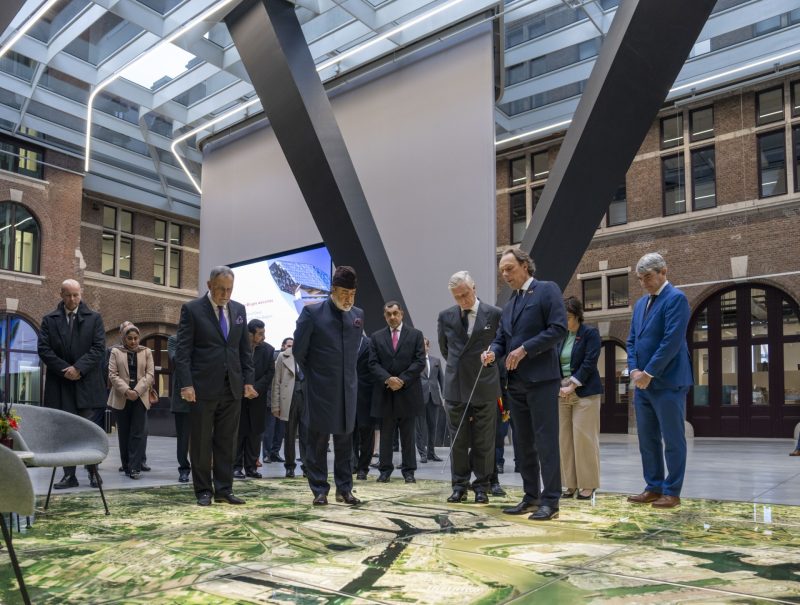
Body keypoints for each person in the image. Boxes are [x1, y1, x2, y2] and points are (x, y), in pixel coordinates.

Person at [483, 248, 566, 521]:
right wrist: (493, 351)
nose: (505, 275)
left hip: (542, 379)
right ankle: (531, 497)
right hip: (515, 384)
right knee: (523, 443)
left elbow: (557, 329)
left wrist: (525, 350)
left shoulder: (546, 290)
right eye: (502, 272)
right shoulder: (509, 305)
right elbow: (501, 339)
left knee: (546, 442)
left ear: (525, 265)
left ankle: (551, 501)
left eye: (509, 268)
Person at [175, 266, 256, 507]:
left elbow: (243, 350)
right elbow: (183, 352)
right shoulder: (192, 310)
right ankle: (203, 490)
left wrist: (248, 381)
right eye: (220, 288)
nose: (225, 293)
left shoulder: (239, 310)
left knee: (227, 441)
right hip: (202, 388)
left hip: (232, 387)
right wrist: (186, 384)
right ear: (209, 285)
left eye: (229, 289)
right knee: (201, 442)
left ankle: (224, 489)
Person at [626, 252, 693, 509]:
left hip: (667, 382)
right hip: (642, 383)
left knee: (673, 439)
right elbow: (632, 340)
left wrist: (648, 373)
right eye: (640, 279)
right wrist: (633, 371)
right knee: (647, 439)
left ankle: (672, 491)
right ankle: (653, 486)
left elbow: (671, 341)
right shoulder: (641, 304)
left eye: (648, 277)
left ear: (663, 272)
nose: (644, 283)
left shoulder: (676, 299)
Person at [292, 266, 363, 506]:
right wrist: (315, 376)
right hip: (319, 389)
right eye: (344, 292)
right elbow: (299, 351)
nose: (348, 298)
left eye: (352, 293)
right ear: (333, 289)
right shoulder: (313, 313)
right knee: (318, 441)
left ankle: (345, 489)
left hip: (348, 390)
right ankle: (319, 489)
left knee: (345, 441)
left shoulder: (357, 316)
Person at [437, 271, 502, 504]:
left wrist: (491, 359)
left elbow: (501, 346)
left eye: (465, 294)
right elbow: (446, 351)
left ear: (474, 288)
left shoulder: (494, 314)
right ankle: (459, 486)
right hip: (455, 386)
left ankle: (482, 487)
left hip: (484, 383)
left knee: (484, 440)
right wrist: (458, 367)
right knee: (458, 440)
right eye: (457, 297)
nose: (463, 300)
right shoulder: (445, 317)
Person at [38, 279, 107, 489]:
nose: (72, 299)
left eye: (76, 295)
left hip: (86, 383)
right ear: (61, 294)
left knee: (89, 430)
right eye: (68, 295)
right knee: (66, 431)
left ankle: (93, 472)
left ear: (81, 293)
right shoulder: (49, 319)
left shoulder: (94, 318)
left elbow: (98, 348)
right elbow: (44, 349)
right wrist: (64, 370)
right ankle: (69, 476)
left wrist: (78, 368)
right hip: (61, 385)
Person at [369, 300, 426, 484]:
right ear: (384, 316)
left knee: (408, 436)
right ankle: (385, 470)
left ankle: (409, 471)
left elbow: (419, 362)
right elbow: (373, 363)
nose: (392, 317)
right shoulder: (376, 337)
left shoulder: (416, 335)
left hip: (407, 392)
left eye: (395, 313)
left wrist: (402, 380)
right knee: (386, 435)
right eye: (388, 314)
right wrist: (388, 379)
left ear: (401, 313)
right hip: (385, 393)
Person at [558, 296, 602, 501]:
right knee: (564, 440)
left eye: (567, 317)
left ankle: (588, 485)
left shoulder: (590, 333)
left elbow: (590, 361)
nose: (564, 321)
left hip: (584, 392)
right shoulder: (560, 335)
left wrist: (573, 384)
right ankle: (569, 484)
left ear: (577, 316)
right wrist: (559, 385)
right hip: (561, 392)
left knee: (583, 439)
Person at [107, 324, 154, 480]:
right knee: (124, 434)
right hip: (122, 397)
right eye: (130, 338)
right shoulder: (116, 352)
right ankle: (126, 465)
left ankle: (135, 467)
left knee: (137, 433)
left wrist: (137, 391)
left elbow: (150, 374)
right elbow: (112, 375)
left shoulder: (146, 352)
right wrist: (127, 390)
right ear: (124, 338)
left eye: (136, 338)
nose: (133, 342)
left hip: (140, 397)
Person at [234, 319, 275, 479]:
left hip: (258, 398)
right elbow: (234, 369)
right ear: (250, 334)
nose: (263, 336)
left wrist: (254, 388)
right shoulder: (237, 347)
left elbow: (269, 373)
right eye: (260, 334)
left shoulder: (268, 350)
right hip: (239, 397)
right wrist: (244, 387)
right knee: (238, 433)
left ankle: (251, 467)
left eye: (264, 333)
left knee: (255, 434)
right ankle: (236, 467)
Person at [272, 337, 307, 478]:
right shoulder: (283, 355)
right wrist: (275, 405)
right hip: (290, 398)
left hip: (306, 397)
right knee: (289, 434)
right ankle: (290, 466)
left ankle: (307, 466)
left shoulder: (309, 354)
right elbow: (277, 381)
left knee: (307, 435)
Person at [415, 338, 444, 464]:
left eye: (425, 345)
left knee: (433, 426)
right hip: (419, 398)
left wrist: (444, 396)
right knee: (420, 428)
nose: (423, 348)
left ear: (428, 347)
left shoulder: (436, 361)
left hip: (434, 398)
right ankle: (422, 453)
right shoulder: (414, 362)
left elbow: (441, 380)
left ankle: (431, 453)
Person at [167, 334, 191, 483]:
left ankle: (203, 468)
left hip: (204, 395)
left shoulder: (203, 338)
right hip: (182, 396)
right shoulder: (175, 339)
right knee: (183, 438)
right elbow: (176, 360)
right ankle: (184, 469)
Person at [353, 334, 375, 480]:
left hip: (366, 394)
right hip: (347, 393)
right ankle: (353, 464)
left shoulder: (370, 343)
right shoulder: (345, 339)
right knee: (349, 432)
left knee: (367, 433)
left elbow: (374, 367)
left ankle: (363, 467)